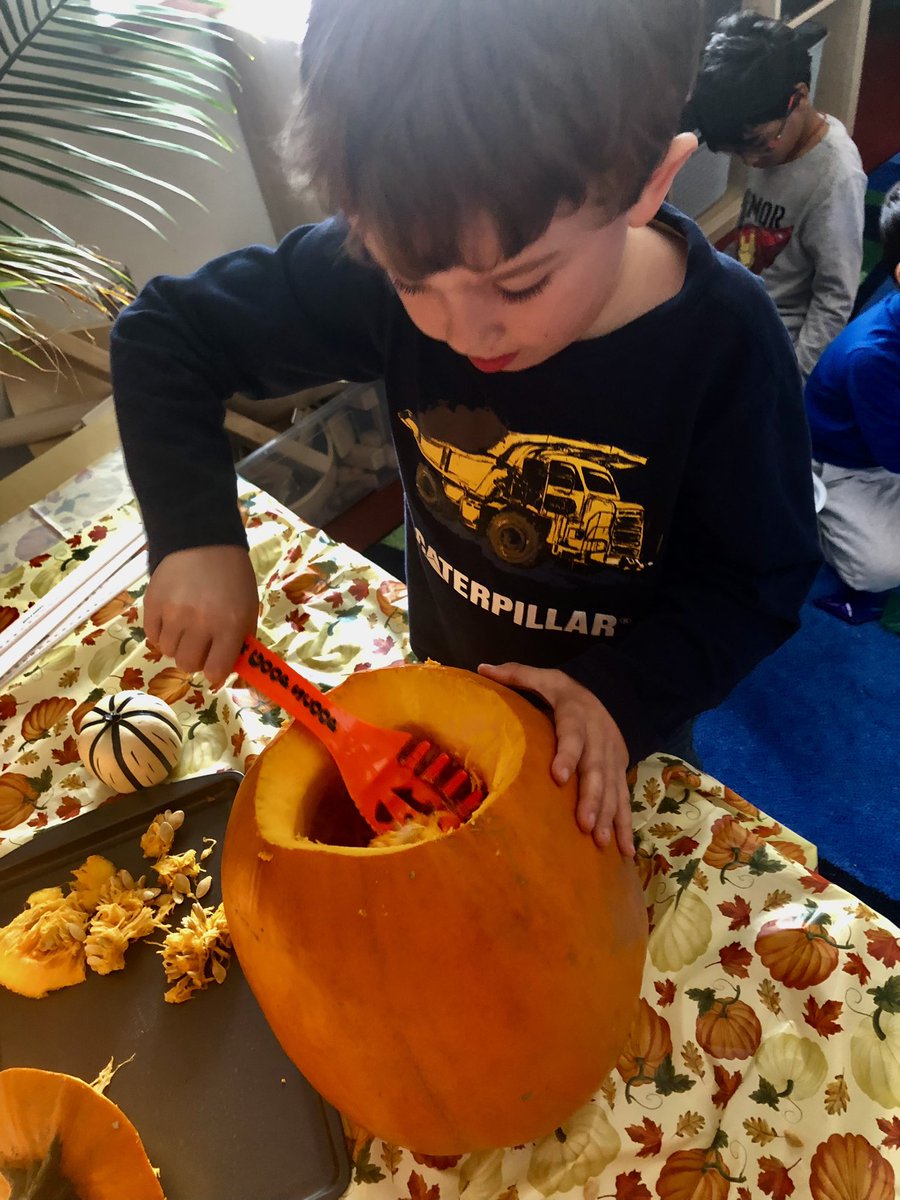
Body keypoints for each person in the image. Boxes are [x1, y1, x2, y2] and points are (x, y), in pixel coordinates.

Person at [110, 0, 821, 857]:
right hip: (445, 689)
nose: (462, 330)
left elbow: (758, 581)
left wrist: (623, 699)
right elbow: (166, 334)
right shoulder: (407, 254)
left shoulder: (727, 345)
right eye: (411, 280)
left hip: (611, 730)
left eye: (519, 286)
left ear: (647, 184)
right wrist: (193, 535)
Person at [688, 10, 866, 378]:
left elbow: (835, 300)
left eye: (757, 144)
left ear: (799, 97)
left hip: (778, 338)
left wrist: (793, 379)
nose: (751, 161)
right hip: (743, 303)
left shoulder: (836, 179)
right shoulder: (774, 145)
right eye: (737, 152)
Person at [804, 181, 900, 623]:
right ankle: (810, 514)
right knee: (880, 568)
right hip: (844, 466)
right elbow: (893, 454)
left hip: (882, 446)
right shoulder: (873, 357)